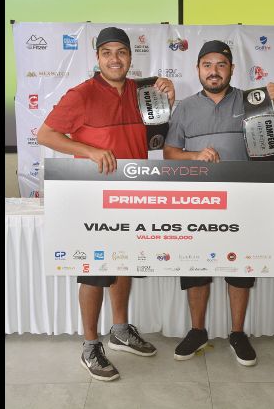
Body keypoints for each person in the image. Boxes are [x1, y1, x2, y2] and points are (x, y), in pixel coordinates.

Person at [36, 27, 175, 381]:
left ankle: (119, 329)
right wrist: (91, 151)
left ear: (131, 57)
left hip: (133, 192)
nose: (115, 59)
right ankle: (89, 343)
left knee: (123, 262)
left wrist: (167, 96)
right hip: (93, 197)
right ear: (97, 58)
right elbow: (46, 134)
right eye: (107, 52)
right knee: (96, 269)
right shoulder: (81, 94)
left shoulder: (143, 91)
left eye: (122, 52)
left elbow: (159, 130)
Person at [162, 40, 274, 366]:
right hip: (196, 200)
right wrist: (195, 155)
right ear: (198, 69)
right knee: (196, 265)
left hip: (242, 199)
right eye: (207, 64)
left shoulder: (251, 101)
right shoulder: (185, 107)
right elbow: (170, 153)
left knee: (240, 266)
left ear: (231, 69)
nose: (214, 71)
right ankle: (197, 330)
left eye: (221, 64)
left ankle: (237, 332)